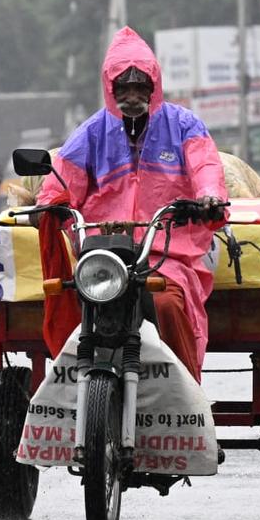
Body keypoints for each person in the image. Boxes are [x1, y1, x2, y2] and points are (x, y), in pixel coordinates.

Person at [36, 26, 227, 381]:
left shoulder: (185, 125)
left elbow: (206, 166)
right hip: (104, 253)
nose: (132, 95)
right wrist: (50, 203)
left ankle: (188, 389)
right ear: (110, 88)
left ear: (155, 86)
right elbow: (62, 179)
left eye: (141, 86)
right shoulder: (91, 132)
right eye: (123, 87)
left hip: (169, 252)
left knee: (168, 305)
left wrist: (209, 197)